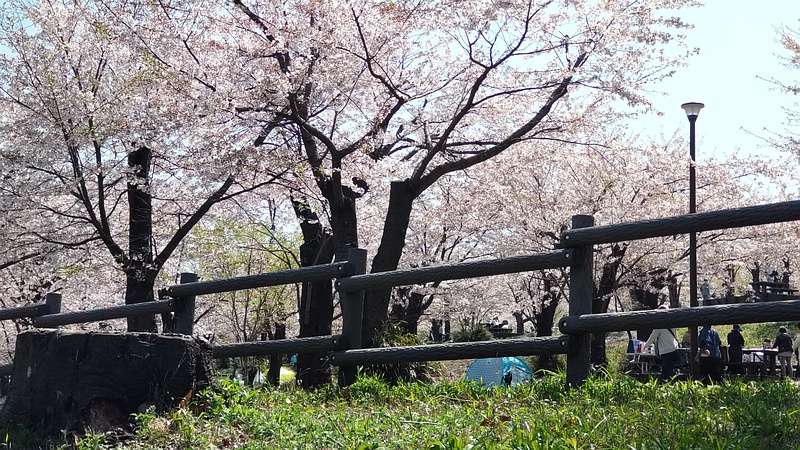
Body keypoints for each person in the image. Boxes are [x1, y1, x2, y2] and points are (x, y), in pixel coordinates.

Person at [643, 305, 679, 382]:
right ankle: (662, 383)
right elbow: (675, 335)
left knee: (669, 371)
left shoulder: (659, 325)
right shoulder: (672, 322)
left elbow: (652, 338)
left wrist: (645, 346)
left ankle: (674, 384)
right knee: (665, 370)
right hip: (675, 348)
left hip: (666, 351)